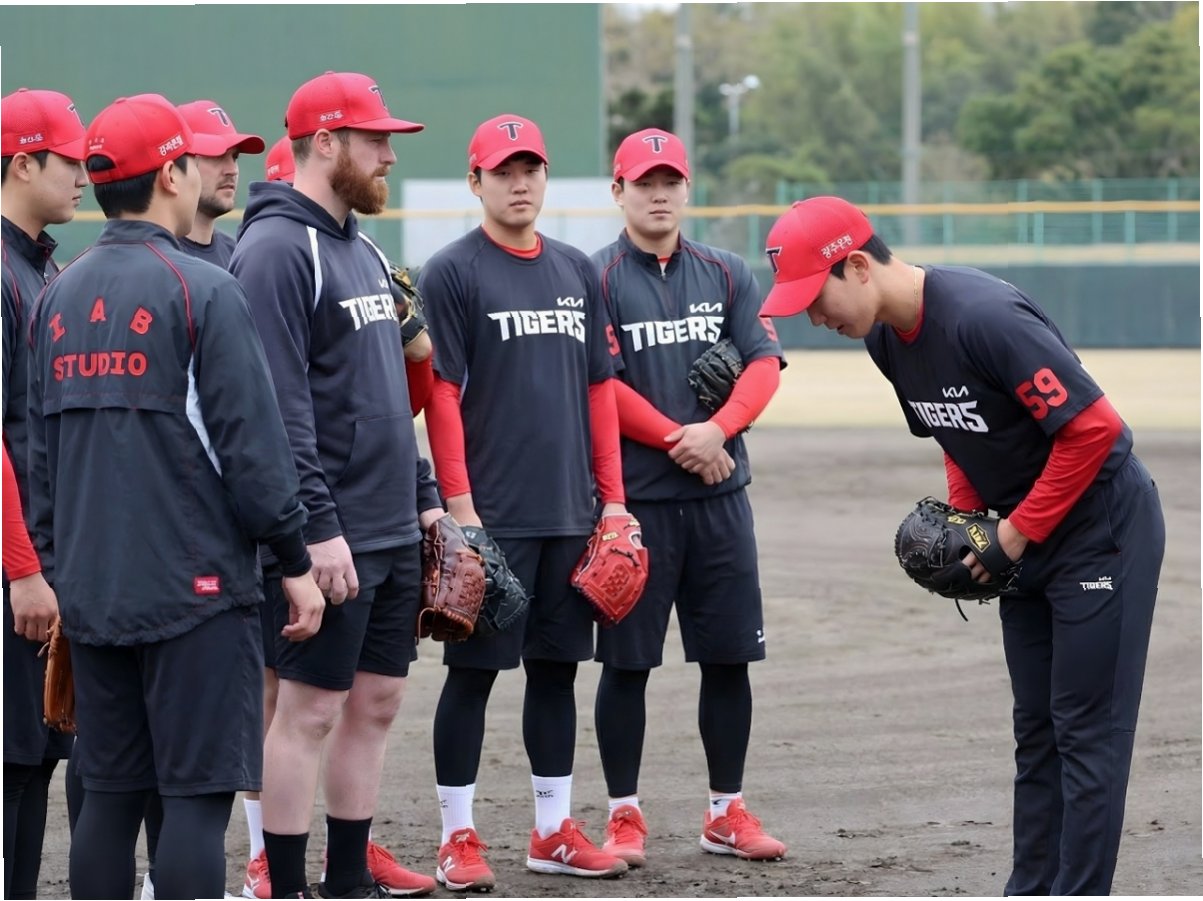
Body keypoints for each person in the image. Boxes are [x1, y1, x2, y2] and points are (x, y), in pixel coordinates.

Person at [759, 196, 1165, 896]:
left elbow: (1097, 431)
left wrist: (1012, 532)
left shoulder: (983, 317)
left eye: (814, 298)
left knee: (1084, 732)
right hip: (1025, 537)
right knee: (1036, 731)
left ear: (857, 266)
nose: (813, 317)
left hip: (1101, 531)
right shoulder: (887, 339)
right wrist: (970, 518)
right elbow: (956, 433)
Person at [24, 92, 327, 901]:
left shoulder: (57, 294)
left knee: (109, 794)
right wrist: (294, 560)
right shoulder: (202, 288)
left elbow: (40, 456)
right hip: (196, 593)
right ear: (171, 174)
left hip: (92, 591)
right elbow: (253, 453)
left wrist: (59, 564)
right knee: (194, 799)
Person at [230, 71, 442, 900]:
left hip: (389, 525)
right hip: (331, 533)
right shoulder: (278, 250)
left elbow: (387, 394)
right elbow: (277, 410)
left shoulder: (364, 248)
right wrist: (314, 530)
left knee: (377, 700)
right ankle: (284, 884)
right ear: (325, 142)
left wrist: (425, 495)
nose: (389, 154)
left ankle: (347, 879)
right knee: (309, 709)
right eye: (375, 139)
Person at [418, 113, 633, 891]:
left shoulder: (575, 269)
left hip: (569, 509)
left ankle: (552, 830)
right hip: (493, 516)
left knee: (555, 672)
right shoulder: (452, 271)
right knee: (473, 674)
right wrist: (461, 508)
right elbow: (442, 392)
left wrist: (613, 501)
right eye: (502, 171)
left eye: (530, 168)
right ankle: (456, 835)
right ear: (474, 181)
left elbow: (600, 389)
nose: (519, 183)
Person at [587, 128, 788, 866]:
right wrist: (685, 438)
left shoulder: (728, 272)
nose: (659, 194)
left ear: (687, 188)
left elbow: (764, 363)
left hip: (720, 499)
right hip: (635, 504)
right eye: (644, 182)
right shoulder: (595, 276)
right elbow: (602, 386)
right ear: (618, 192)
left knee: (728, 658)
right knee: (627, 664)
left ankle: (725, 810)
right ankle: (623, 814)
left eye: (670, 181)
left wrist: (719, 430)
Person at [1, 86, 88, 901]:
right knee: (9, 765)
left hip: (44, 561)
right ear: (23, 163)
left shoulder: (43, 267)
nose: (84, 176)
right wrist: (23, 568)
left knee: (33, 761)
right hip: (13, 569)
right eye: (71, 160)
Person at [176, 99, 265, 268]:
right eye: (217, 156)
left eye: (235, 157)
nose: (232, 170)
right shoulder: (155, 257)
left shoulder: (238, 256)